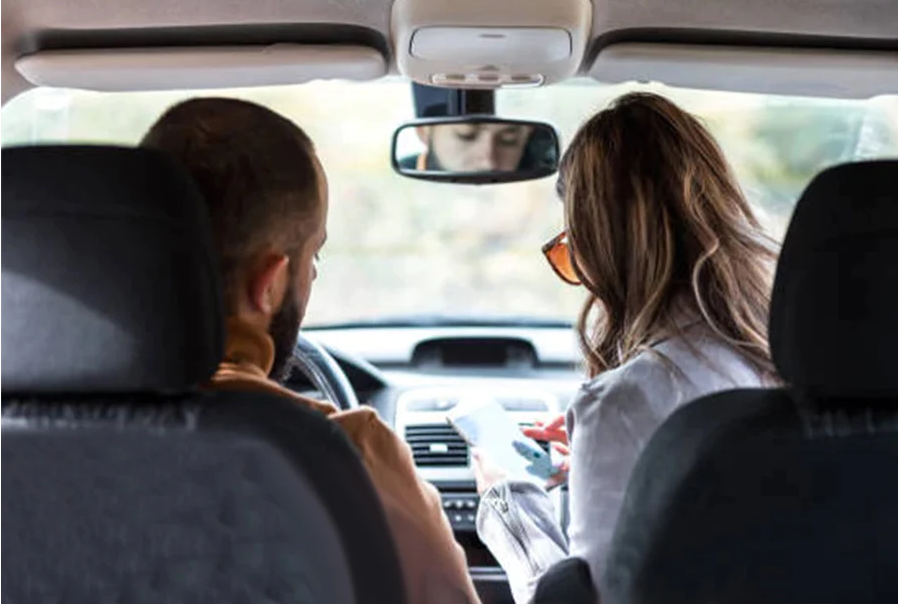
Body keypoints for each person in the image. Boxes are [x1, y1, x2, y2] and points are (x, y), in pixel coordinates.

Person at [140, 97, 480, 604]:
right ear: (270, 284)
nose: (313, 273)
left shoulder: (21, 445)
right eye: (312, 253)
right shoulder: (348, 454)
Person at [472, 91, 780, 604]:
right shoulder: (788, 369)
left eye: (573, 250)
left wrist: (509, 502)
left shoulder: (622, 403)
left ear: (600, 245)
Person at [400, 122, 534, 172]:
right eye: (466, 135)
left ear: (529, 132)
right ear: (424, 132)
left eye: (508, 139)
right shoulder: (402, 175)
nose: (488, 162)